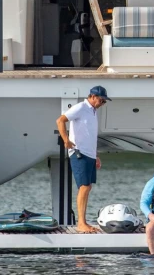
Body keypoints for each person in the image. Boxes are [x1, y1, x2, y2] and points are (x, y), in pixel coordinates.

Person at [56, 85, 111, 233]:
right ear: (92, 96)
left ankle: (83, 222)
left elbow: (89, 135)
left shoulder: (93, 111)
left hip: (90, 154)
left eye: (104, 102)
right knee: (84, 186)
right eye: (101, 100)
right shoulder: (81, 107)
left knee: (88, 187)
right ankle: (81, 223)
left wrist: (96, 155)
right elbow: (60, 120)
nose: (102, 104)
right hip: (79, 152)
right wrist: (66, 140)